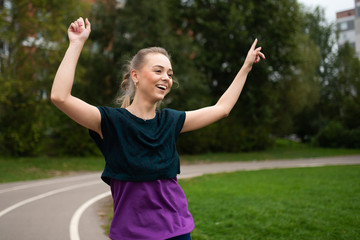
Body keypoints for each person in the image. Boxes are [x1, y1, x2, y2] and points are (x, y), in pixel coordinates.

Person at [51, 17, 265, 240]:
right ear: (135, 76)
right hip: (130, 235)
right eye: (158, 71)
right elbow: (60, 97)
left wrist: (246, 67)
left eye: (170, 74)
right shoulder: (110, 122)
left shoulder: (171, 121)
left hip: (176, 231)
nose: (166, 78)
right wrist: (76, 43)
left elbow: (222, 108)